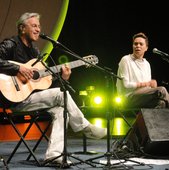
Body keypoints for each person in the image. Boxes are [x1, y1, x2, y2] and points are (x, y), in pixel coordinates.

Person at [0, 12, 107, 164]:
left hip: (32, 98)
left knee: (61, 111)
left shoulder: (35, 51)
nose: (38, 29)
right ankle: (85, 127)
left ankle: (54, 155)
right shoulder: (11, 44)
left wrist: (62, 78)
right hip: (12, 99)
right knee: (59, 94)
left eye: (39, 26)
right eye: (34, 26)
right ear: (22, 28)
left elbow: (44, 83)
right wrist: (17, 69)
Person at [116, 32, 169, 109]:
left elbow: (148, 88)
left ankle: (145, 121)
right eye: (135, 44)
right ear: (132, 46)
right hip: (127, 98)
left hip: (142, 98)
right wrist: (147, 84)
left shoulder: (147, 64)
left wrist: (151, 87)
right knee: (161, 90)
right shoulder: (126, 60)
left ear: (146, 48)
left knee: (161, 103)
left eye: (141, 44)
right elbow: (126, 85)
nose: (138, 46)